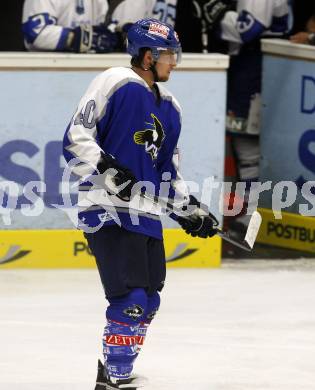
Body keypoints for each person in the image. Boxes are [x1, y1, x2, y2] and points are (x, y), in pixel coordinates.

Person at [62, 18, 218, 389]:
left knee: (149, 299)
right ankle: (113, 377)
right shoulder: (115, 80)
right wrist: (107, 167)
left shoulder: (172, 107)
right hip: (106, 206)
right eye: (168, 55)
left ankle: (119, 371)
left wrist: (189, 210)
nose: (174, 63)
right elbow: (75, 137)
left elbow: (166, 173)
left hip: (146, 214)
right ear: (146, 56)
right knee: (130, 298)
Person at [194, 0, 293, 231]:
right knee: (244, 141)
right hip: (251, 63)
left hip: (256, 65)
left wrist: (220, 16)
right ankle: (253, 210)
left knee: (249, 142)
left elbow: (250, 29)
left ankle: (256, 213)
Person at [22, 0, 121, 53]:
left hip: (85, 68)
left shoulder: (99, 2)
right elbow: (35, 33)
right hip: (46, 68)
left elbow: (103, 33)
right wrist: (74, 38)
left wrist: (119, 36)